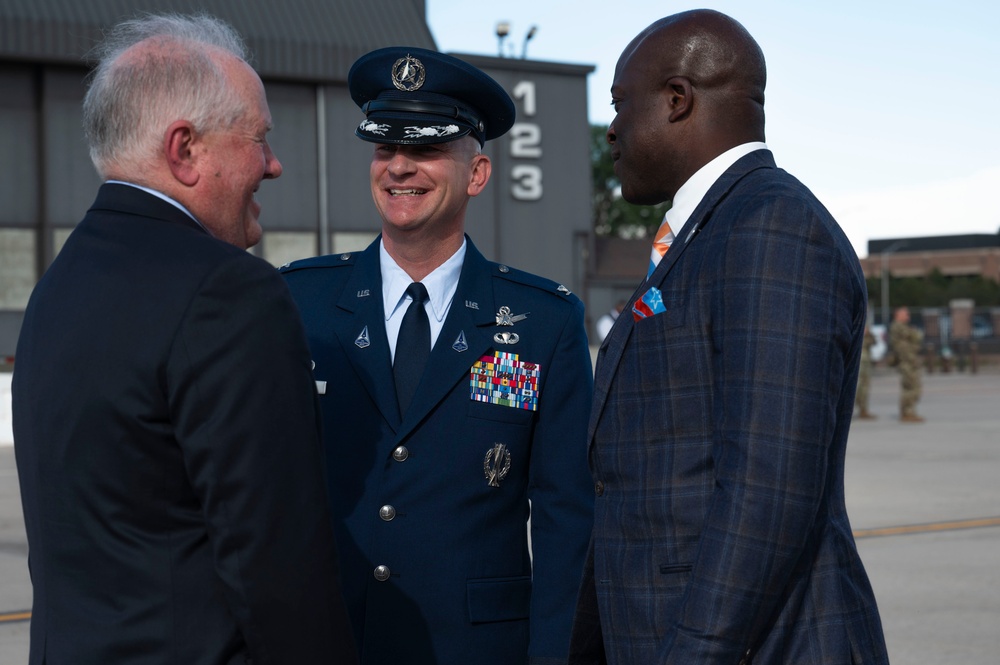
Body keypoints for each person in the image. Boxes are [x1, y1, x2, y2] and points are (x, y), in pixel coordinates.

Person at [12, 14, 356, 664]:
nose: (274, 165)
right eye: (259, 138)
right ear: (185, 150)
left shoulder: (57, 288)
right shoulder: (228, 293)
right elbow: (280, 569)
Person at [568, 10, 888, 664]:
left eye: (621, 106)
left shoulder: (770, 228)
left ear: (678, 100)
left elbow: (768, 492)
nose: (613, 132)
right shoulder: (712, 231)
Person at [280, 47, 594, 665]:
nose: (398, 167)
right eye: (383, 148)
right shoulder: (300, 301)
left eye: (424, 149)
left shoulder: (543, 320)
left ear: (476, 174)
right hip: (328, 640)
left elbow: (566, 522)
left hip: (476, 649)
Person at [890, 306, 925, 422]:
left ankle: (909, 411)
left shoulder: (902, 327)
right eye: (906, 314)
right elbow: (916, 336)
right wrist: (914, 332)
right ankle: (907, 412)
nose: (908, 317)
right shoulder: (897, 326)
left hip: (910, 361)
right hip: (906, 362)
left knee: (912, 387)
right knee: (911, 388)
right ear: (898, 315)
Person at [856, 323, 877, 419]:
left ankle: (863, 410)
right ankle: (854, 408)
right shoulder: (856, 323)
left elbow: (874, 342)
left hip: (866, 361)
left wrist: (868, 334)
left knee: (865, 386)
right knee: (857, 385)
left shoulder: (866, 327)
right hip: (858, 361)